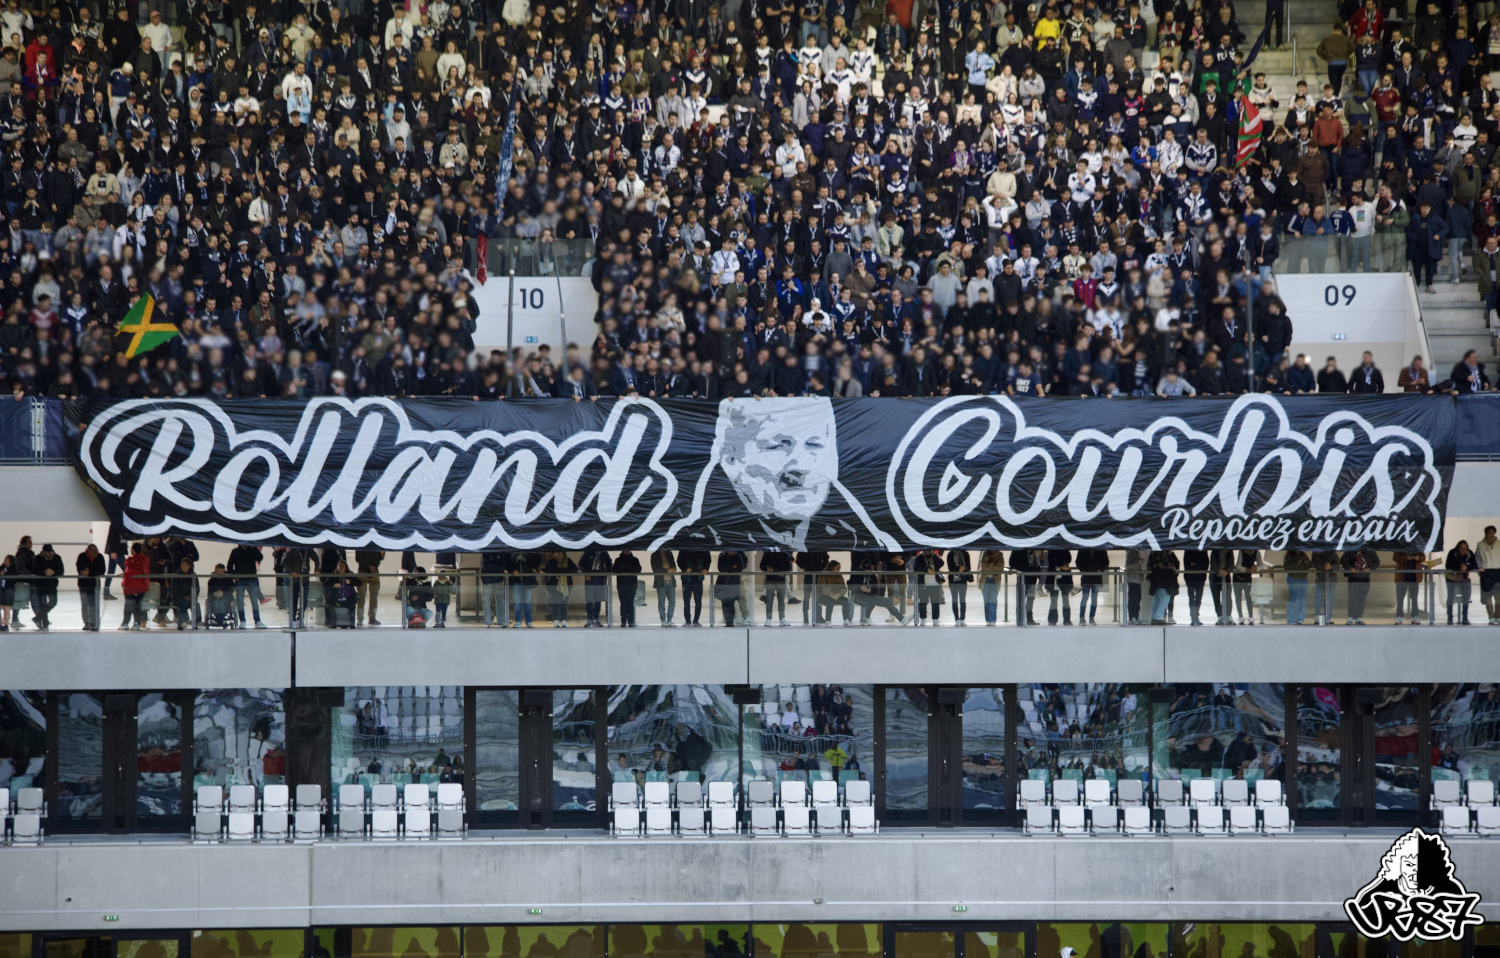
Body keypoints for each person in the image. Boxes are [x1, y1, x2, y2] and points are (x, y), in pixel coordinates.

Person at [227, 543, 268, 628]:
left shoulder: (252, 550)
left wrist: (254, 548)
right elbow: (229, 566)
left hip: (251, 579)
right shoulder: (235, 551)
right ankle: (242, 621)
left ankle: (257, 621)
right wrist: (234, 575)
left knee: (254, 601)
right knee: (240, 601)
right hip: (240, 580)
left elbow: (260, 557)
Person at [1341, 546, 1380, 624]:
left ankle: (1359, 617)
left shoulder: (1370, 550)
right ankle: (1351, 617)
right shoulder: (1351, 549)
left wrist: (1370, 568)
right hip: (1353, 577)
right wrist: (1350, 568)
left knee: (1362, 598)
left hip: (1365, 577)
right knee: (1352, 598)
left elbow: (1376, 562)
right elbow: (1343, 560)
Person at [28, 542, 62, 631]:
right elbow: (35, 570)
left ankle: (38, 617)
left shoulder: (57, 558)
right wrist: (45, 572)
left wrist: (53, 572)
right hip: (41, 585)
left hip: (52, 584)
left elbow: (61, 570)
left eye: (51, 552)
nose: (50, 554)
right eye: (48, 552)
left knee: (53, 602)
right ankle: (44, 623)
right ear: (43, 552)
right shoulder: (37, 558)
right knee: (42, 604)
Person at [120, 542, 150, 630]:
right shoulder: (143, 559)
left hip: (134, 587)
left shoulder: (138, 560)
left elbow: (138, 571)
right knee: (136, 605)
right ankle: (135, 623)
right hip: (138, 586)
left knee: (130, 605)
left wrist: (126, 574)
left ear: (133, 550)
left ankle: (128, 623)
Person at [75, 544, 105, 631]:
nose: (95, 552)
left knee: (94, 604)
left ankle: (94, 622)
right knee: (85, 604)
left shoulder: (100, 557)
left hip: (95, 585)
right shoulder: (82, 556)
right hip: (83, 584)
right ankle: (87, 622)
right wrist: (93, 572)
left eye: (96, 550)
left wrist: (90, 572)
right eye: (93, 551)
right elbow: (81, 570)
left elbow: (102, 570)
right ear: (88, 550)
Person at [1446, 540, 1476, 624]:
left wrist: (1467, 567)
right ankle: (1450, 617)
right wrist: (1459, 567)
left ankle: (1465, 617)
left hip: (1463, 579)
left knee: (1465, 597)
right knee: (1450, 597)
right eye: (1462, 548)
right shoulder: (1452, 553)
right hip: (1452, 579)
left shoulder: (1469, 554)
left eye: (1465, 549)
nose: (1463, 550)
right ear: (1458, 548)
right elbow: (1448, 565)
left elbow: (1474, 565)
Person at [1283, 549, 1312, 624]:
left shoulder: (1303, 554)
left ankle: (1300, 619)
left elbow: (1310, 565)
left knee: (1302, 600)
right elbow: (1286, 567)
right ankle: (1292, 619)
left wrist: (1306, 563)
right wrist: (1297, 563)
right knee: (1294, 599)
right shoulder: (1289, 554)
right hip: (1293, 578)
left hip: (1303, 578)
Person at [614, 549, 642, 626]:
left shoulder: (635, 560)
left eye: (628, 550)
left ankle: (631, 621)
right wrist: (627, 568)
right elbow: (615, 569)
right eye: (625, 550)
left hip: (632, 584)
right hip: (621, 584)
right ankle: (623, 621)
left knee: (630, 602)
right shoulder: (618, 560)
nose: (627, 551)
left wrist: (626, 568)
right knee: (623, 603)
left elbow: (638, 569)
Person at [1478, 526, 1500, 625]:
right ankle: (1491, 617)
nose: (1491, 535)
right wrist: (1479, 567)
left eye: (1493, 533)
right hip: (1486, 573)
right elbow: (1477, 558)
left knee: (1498, 597)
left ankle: (1498, 616)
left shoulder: (1499, 544)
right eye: (1489, 533)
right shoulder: (1480, 545)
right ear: (1486, 533)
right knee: (1487, 596)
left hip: (1498, 571)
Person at [1312, 548, 1340, 625]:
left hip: (1331, 580)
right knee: (1318, 599)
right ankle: (1317, 617)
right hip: (1320, 580)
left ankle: (1327, 617)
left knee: (1330, 599)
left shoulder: (1333, 553)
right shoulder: (1315, 554)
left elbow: (1337, 566)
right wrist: (1325, 567)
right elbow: (1316, 565)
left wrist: (1330, 567)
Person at [651, 550, 678, 626]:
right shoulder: (654, 555)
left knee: (672, 601)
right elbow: (655, 569)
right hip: (661, 582)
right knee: (661, 601)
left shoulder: (669, 553)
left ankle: (669, 619)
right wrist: (667, 570)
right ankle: (663, 620)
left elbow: (673, 564)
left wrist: (674, 569)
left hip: (671, 581)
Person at [979, 550, 1007, 626]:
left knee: (993, 600)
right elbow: (983, 567)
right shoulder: (985, 554)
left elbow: (1000, 568)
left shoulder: (1000, 555)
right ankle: (988, 620)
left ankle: (992, 619)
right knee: (986, 601)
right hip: (985, 580)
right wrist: (993, 567)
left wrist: (990, 567)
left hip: (995, 580)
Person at [946, 548, 973, 625]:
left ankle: (962, 618)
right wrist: (959, 569)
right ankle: (956, 619)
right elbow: (950, 567)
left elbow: (969, 567)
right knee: (954, 600)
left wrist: (964, 568)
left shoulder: (965, 554)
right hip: (953, 580)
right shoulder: (950, 554)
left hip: (963, 580)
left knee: (962, 599)